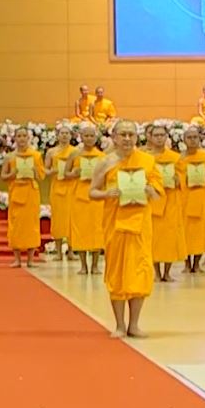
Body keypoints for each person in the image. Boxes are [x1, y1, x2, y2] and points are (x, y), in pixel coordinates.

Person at [90, 121, 162, 337]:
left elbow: (159, 193)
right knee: (118, 272)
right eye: (123, 134)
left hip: (140, 224)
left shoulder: (147, 161)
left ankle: (134, 324)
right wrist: (106, 194)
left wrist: (151, 190)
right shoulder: (105, 163)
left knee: (139, 271)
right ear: (114, 137)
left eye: (131, 134)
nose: (127, 139)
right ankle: (120, 324)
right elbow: (91, 192)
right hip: (116, 224)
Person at [0, 126, 46, 267]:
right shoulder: (10, 157)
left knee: (31, 225)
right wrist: (12, 174)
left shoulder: (36, 156)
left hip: (31, 192)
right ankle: (17, 259)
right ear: (14, 138)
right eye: (18, 136)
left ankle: (31, 259)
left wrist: (34, 171)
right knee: (16, 225)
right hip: (16, 192)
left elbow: (42, 177)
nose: (21, 139)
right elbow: (3, 176)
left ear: (28, 138)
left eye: (24, 136)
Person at [146, 123, 184, 283]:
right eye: (156, 135)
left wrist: (178, 180)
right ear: (150, 137)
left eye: (162, 135)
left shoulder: (175, 157)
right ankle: (156, 272)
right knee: (154, 237)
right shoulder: (145, 158)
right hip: (153, 200)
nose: (159, 138)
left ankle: (167, 272)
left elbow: (183, 177)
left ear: (167, 137)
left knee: (169, 237)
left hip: (171, 201)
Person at [68, 124, 108, 275]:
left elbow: (108, 176)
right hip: (80, 195)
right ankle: (83, 265)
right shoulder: (75, 155)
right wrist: (74, 173)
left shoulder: (102, 156)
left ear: (96, 137)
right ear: (81, 137)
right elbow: (65, 174)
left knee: (96, 229)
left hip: (97, 196)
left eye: (92, 136)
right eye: (86, 136)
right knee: (81, 230)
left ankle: (95, 265)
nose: (89, 138)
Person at [179, 125, 205, 274]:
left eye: (195, 138)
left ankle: (197, 264)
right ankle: (187, 264)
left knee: (201, 232)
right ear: (184, 140)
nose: (193, 140)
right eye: (189, 138)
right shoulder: (180, 158)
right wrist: (185, 177)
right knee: (186, 231)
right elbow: (176, 177)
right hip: (186, 197)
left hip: (202, 196)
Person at [45, 124, 77, 261]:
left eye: (67, 133)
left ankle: (71, 251)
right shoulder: (51, 152)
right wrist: (52, 171)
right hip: (57, 188)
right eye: (62, 133)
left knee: (71, 219)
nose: (64, 136)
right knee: (58, 220)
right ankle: (58, 251)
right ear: (57, 136)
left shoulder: (76, 151)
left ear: (71, 136)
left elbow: (79, 168)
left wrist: (75, 173)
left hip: (71, 187)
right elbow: (44, 170)